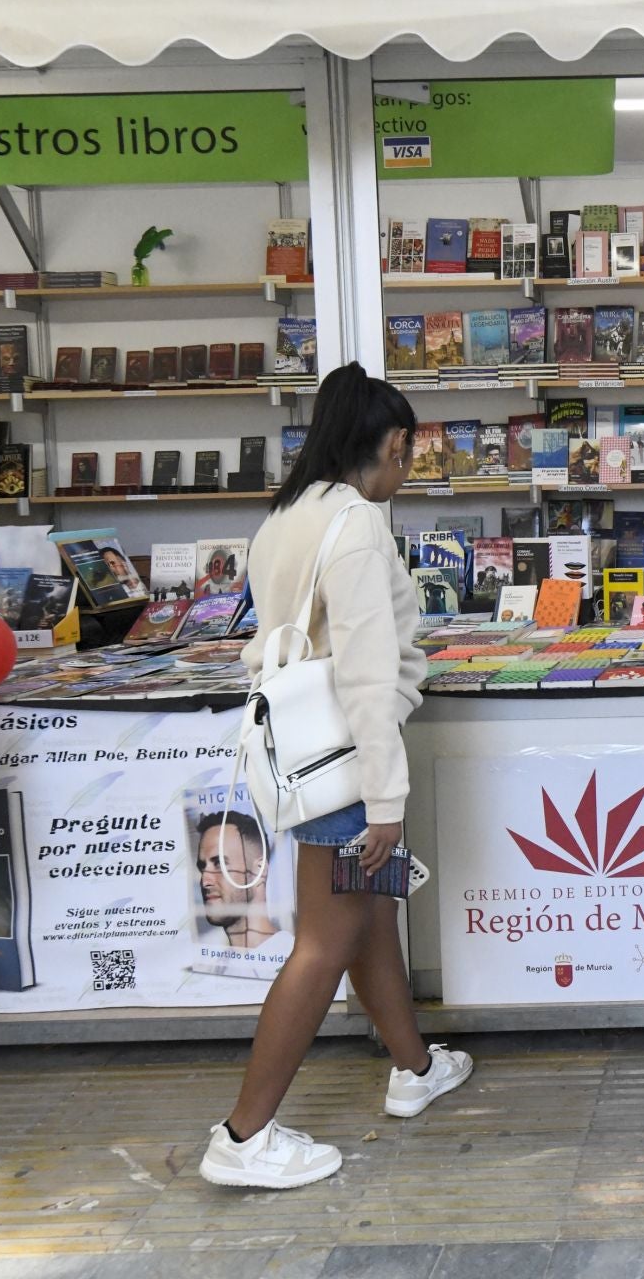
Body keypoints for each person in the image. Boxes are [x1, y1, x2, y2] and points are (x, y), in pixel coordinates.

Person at [200, 362, 471, 1191]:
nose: (408, 470)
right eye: (408, 453)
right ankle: (244, 1135)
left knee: (367, 919)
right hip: (346, 762)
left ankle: (414, 1067)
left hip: (305, 756)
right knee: (325, 941)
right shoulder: (356, 523)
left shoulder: (287, 515)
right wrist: (386, 797)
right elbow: (363, 670)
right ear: (390, 443)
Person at [196, 811, 290, 958]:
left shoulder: (293, 958)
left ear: (259, 870)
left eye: (219, 864)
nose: (205, 881)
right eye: (202, 867)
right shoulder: (213, 964)